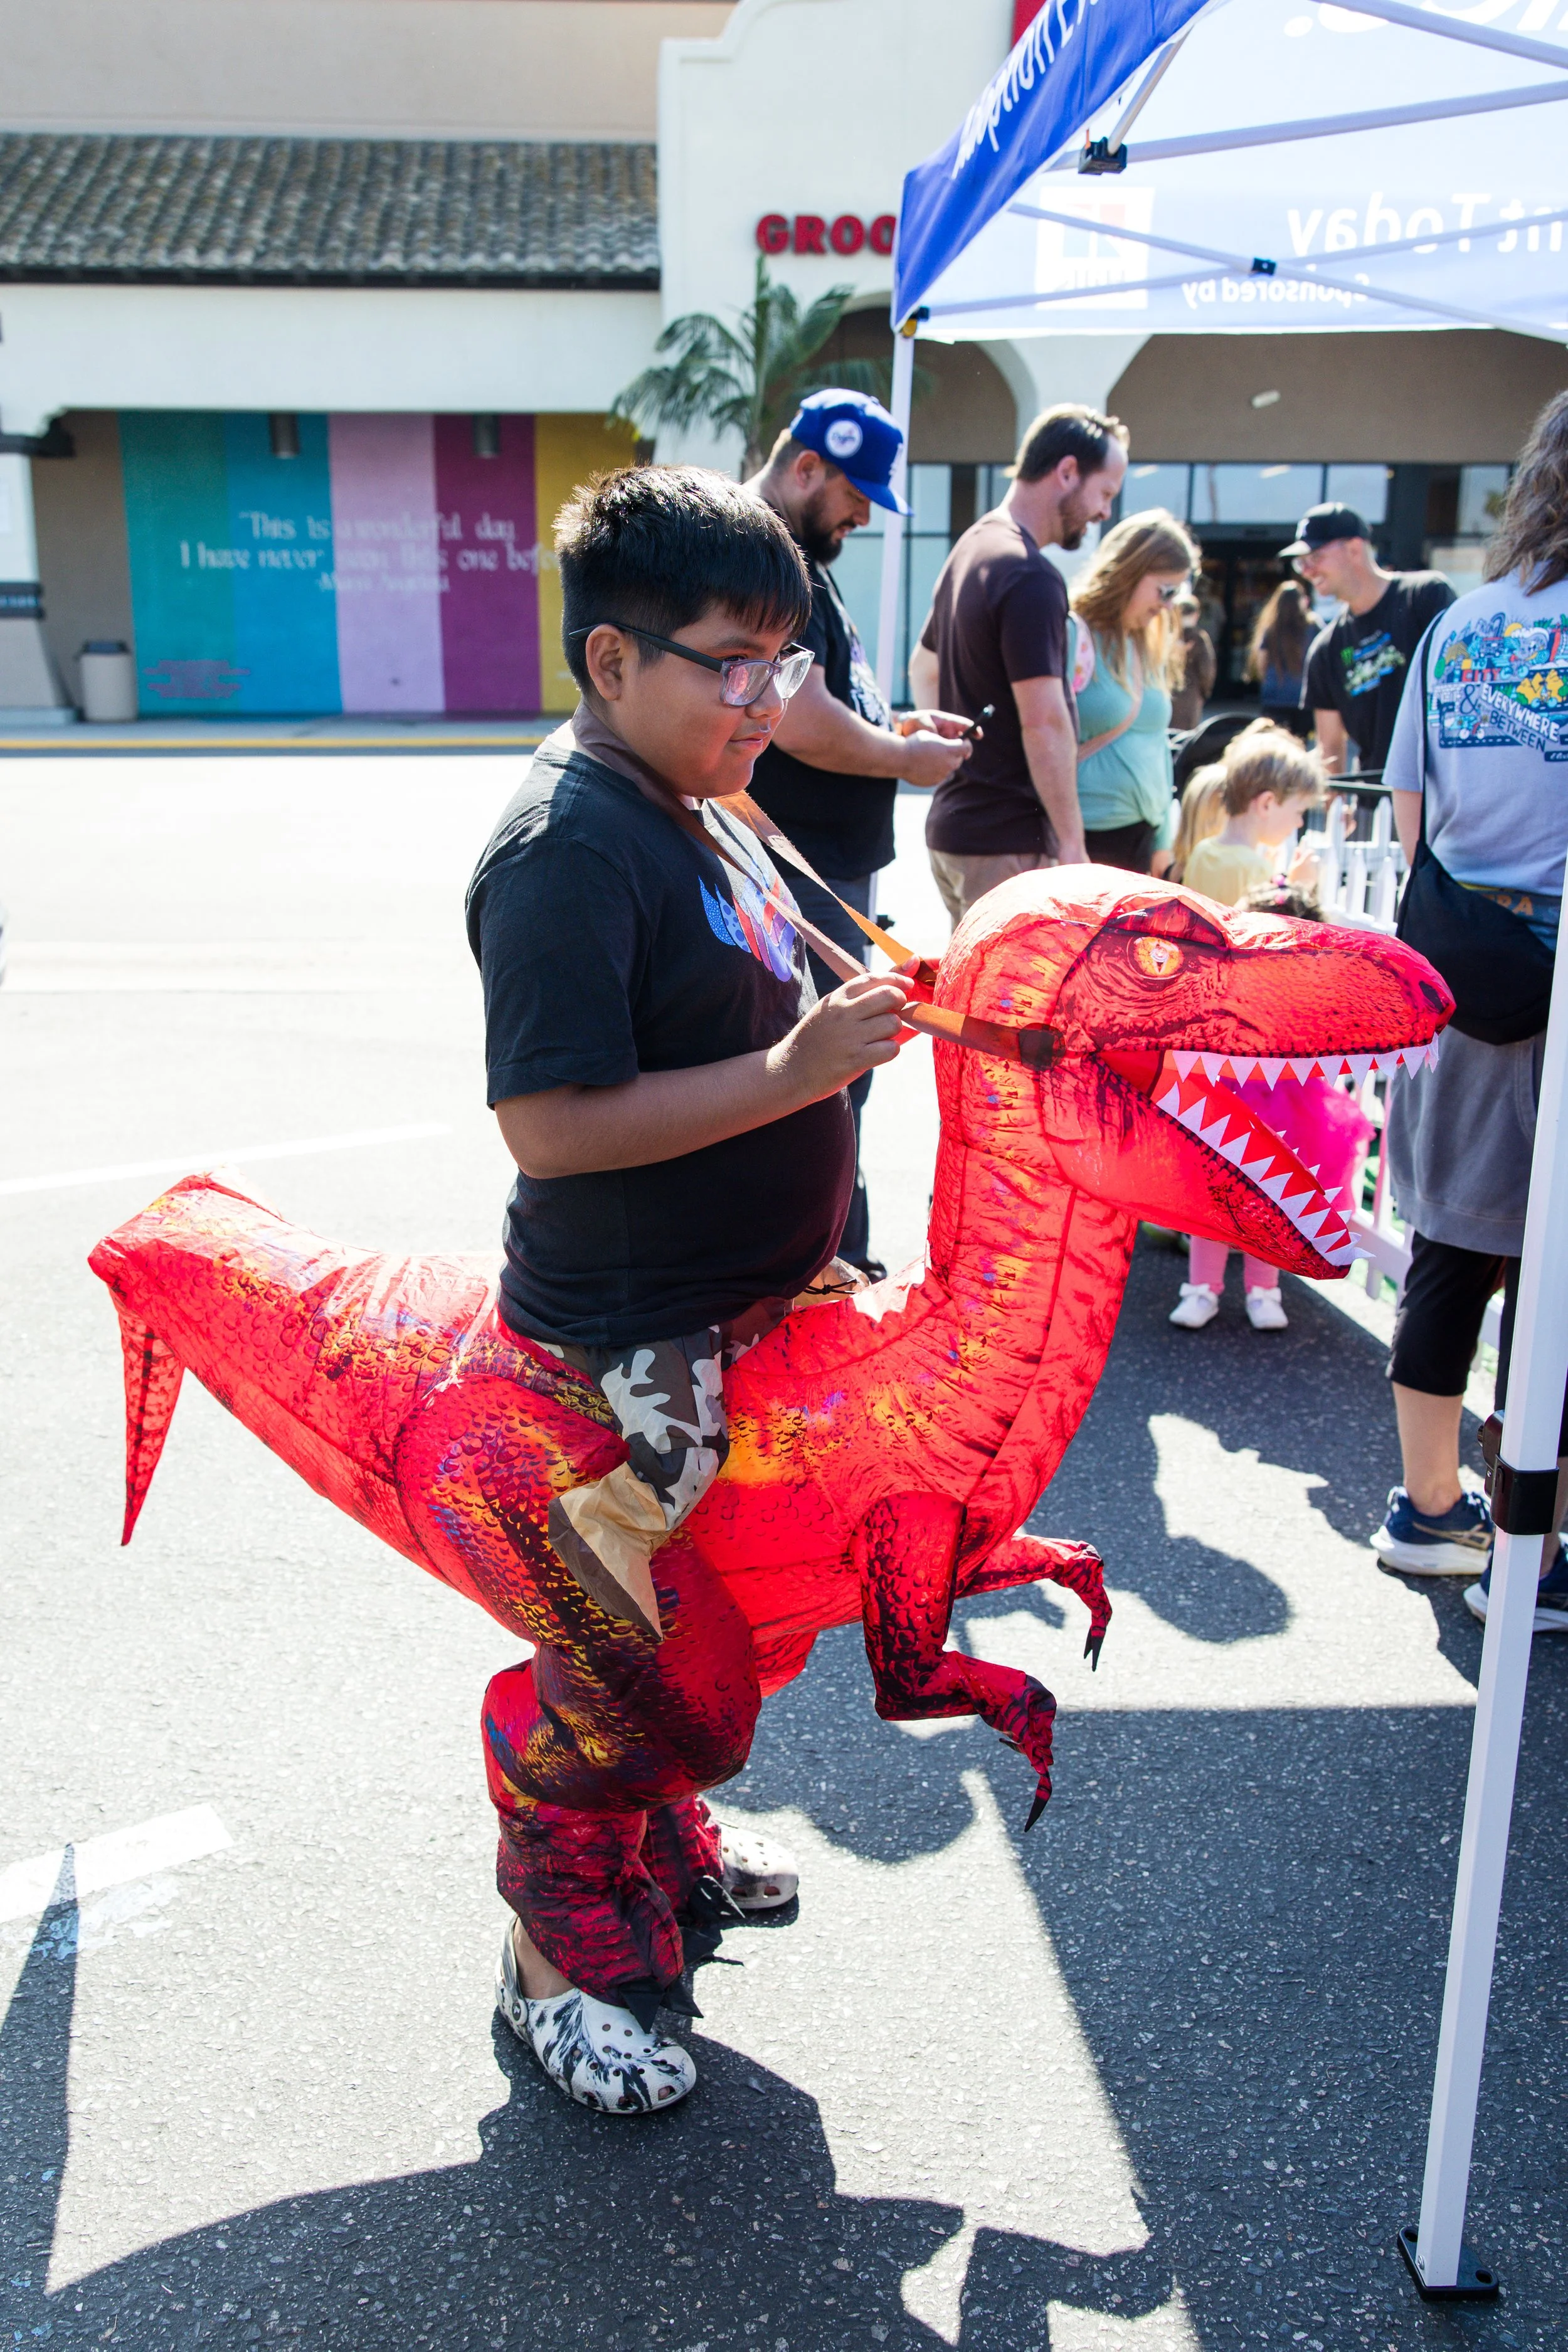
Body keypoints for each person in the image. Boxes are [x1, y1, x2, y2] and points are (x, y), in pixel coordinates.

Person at [467, 465, 914, 2087]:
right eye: (733, 665)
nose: (766, 701)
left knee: (711, 1638)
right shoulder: (564, 849)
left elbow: (780, 965)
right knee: (616, 1663)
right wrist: (800, 1072)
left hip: (741, 1308)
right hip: (626, 1343)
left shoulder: (700, 792)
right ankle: (545, 1966)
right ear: (610, 661)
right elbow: (550, 1123)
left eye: (783, 663)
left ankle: (663, 1847)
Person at [1370, 389, 1568, 1632]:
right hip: (1556, 981)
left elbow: (1408, 811)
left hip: (1456, 967)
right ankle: (1531, 1544)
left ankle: (1430, 1507)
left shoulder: (1458, 624)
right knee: (1554, 1275)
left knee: (1449, 1247)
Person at [744, 388, 972, 1276]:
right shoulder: (770, 556)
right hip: (800, 869)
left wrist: (897, 727)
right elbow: (800, 722)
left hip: (824, 867)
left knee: (842, 1079)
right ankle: (825, 1273)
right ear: (808, 467)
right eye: (856, 493)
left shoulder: (795, 555)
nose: (865, 515)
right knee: (827, 1080)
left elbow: (829, 700)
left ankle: (834, 1264)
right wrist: (903, 757)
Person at [907, 403, 1129, 926]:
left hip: (958, 829)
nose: (1105, 513)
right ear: (1067, 472)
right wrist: (1072, 844)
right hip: (1006, 842)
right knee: (1013, 985)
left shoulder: (973, 546)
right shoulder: (1030, 574)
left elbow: (923, 668)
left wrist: (962, 757)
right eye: (1105, 493)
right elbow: (1044, 720)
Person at [1172, 724, 1332, 1332]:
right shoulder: (1246, 867)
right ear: (1266, 804)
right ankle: (1243, 1288)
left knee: (1219, 1174)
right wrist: (1299, 889)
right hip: (1253, 1055)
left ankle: (1219, 1287)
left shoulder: (1210, 854)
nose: (1297, 824)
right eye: (1296, 812)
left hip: (1223, 1046)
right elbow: (1268, 940)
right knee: (1263, 1177)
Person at [1069, 509, 1199, 872]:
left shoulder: (1147, 639)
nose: (1169, 605)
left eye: (1177, 592)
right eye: (1165, 590)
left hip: (1143, 836)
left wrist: (1163, 841)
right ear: (1129, 573)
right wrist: (1064, 840)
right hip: (1082, 839)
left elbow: (1157, 744)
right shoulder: (1073, 633)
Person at [1288, 502, 1454, 776]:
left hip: (1438, 787)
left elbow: (1460, 684)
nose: (1306, 571)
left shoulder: (1425, 596)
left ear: (1354, 549)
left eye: (1315, 557)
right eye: (1301, 562)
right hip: (1374, 794)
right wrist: (1336, 800)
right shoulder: (1325, 649)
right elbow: (1330, 752)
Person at [1247, 579, 1313, 738]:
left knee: (1275, 743)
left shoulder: (1271, 629)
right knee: (1300, 744)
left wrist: (1269, 680)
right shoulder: (1313, 626)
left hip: (1274, 696)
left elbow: (1262, 662)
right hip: (1302, 696)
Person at [1168, 590, 1216, 733]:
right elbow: (1206, 669)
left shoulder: (1167, 636)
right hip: (1190, 695)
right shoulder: (1199, 638)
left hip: (1168, 694)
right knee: (1186, 737)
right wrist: (1205, 692)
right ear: (1196, 615)